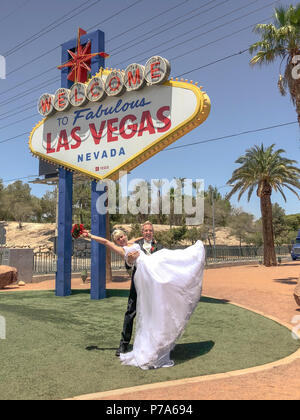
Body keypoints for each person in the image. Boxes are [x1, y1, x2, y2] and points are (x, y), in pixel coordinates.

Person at [82, 227, 205, 370]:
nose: (121, 239)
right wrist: (90, 235)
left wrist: (147, 237)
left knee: (169, 261)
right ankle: (132, 344)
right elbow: (106, 243)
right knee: (142, 306)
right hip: (145, 273)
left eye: (122, 236)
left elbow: (140, 239)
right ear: (116, 241)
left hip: (152, 264)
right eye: (118, 239)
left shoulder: (133, 242)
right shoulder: (123, 250)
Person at [115, 222, 163, 356]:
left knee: (155, 313)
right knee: (130, 312)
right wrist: (129, 262)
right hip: (137, 284)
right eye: (145, 230)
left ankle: (155, 344)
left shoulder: (159, 247)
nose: (148, 232)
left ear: (153, 232)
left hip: (154, 285)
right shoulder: (136, 246)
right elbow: (128, 264)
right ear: (142, 232)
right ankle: (123, 345)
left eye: (150, 230)